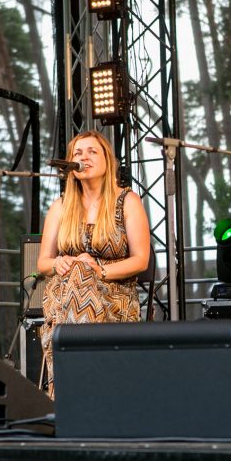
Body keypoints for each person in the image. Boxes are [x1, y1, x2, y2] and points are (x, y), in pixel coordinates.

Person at [37, 130, 151, 397]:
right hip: (64, 295)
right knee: (77, 272)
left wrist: (98, 270)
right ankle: (82, 382)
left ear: (107, 161)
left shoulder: (126, 201)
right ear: (70, 164)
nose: (83, 157)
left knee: (82, 273)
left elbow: (140, 259)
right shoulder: (61, 206)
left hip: (113, 295)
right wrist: (60, 263)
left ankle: (75, 388)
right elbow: (43, 261)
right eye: (77, 153)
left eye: (91, 152)